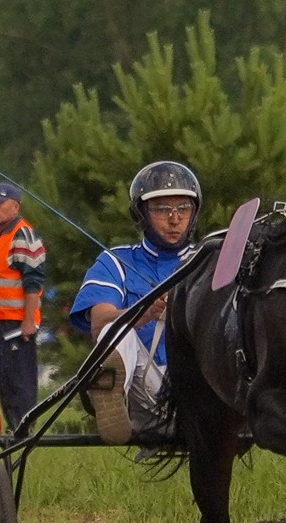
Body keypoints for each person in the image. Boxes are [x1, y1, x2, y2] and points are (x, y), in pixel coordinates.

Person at [67, 161, 200, 445]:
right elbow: (99, 323)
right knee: (114, 330)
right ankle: (109, 394)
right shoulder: (116, 261)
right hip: (145, 387)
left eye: (183, 208)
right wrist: (145, 311)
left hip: (200, 383)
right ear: (141, 214)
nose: (175, 219)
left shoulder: (209, 259)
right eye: (162, 209)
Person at [0, 180, 49, 430]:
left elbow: (33, 281)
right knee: (6, 379)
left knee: (20, 380)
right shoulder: (0, 237)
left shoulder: (21, 235)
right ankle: (14, 428)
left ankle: (23, 428)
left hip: (17, 323)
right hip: (0, 321)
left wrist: (28, 321)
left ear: (15, 206)